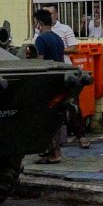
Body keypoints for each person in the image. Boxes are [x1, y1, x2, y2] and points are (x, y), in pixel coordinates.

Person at [44, 3, 90, 149]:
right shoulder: (40, 31)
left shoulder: (64, 29)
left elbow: (74, 49)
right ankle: (55, 141)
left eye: (50, 13)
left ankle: (81, 136)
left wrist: (56, 48)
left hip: (65, 71)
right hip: (48, 71)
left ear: (56, 15)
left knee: (72, 103)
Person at [33, 9, 67, 164]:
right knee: (56, 117)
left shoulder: (41, 39)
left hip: (47, 84)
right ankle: (56, 150)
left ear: (39, 23)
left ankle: (54, 154)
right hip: (59, 82)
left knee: (46, 118)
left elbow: (39, 62)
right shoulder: (58, 38)